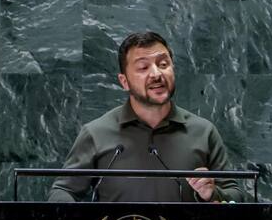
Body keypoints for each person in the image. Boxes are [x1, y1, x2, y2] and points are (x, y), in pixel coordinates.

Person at [48, 31, 244, 203]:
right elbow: (63, 191)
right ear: (124, 81)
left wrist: (213, 194)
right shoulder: (96, 133)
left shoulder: (203, 132)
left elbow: (236, 196)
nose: (157, 74)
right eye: (143, 68)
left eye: (163, 64)